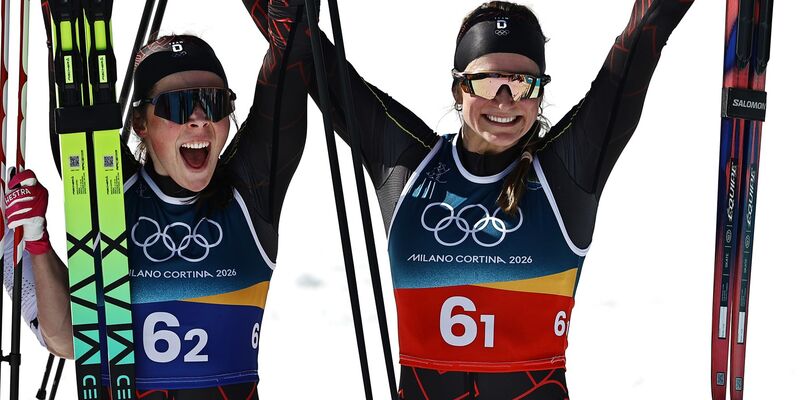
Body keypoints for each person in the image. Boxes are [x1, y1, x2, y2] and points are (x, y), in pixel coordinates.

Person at [276, 0, 695, 398]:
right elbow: (304, 47)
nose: (506, 100)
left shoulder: (567, 172)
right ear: (458, 89)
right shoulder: (407, 165)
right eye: (489, 81)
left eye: (523, 83)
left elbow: (643, 35)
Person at [2, 2, 310, 398]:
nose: (199, 119)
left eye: (213, 103)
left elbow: (294, 49)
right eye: (179, 105)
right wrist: (36, 242)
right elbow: (64, 339)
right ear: (140, 124)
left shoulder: (250, 194)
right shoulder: (110, 190)